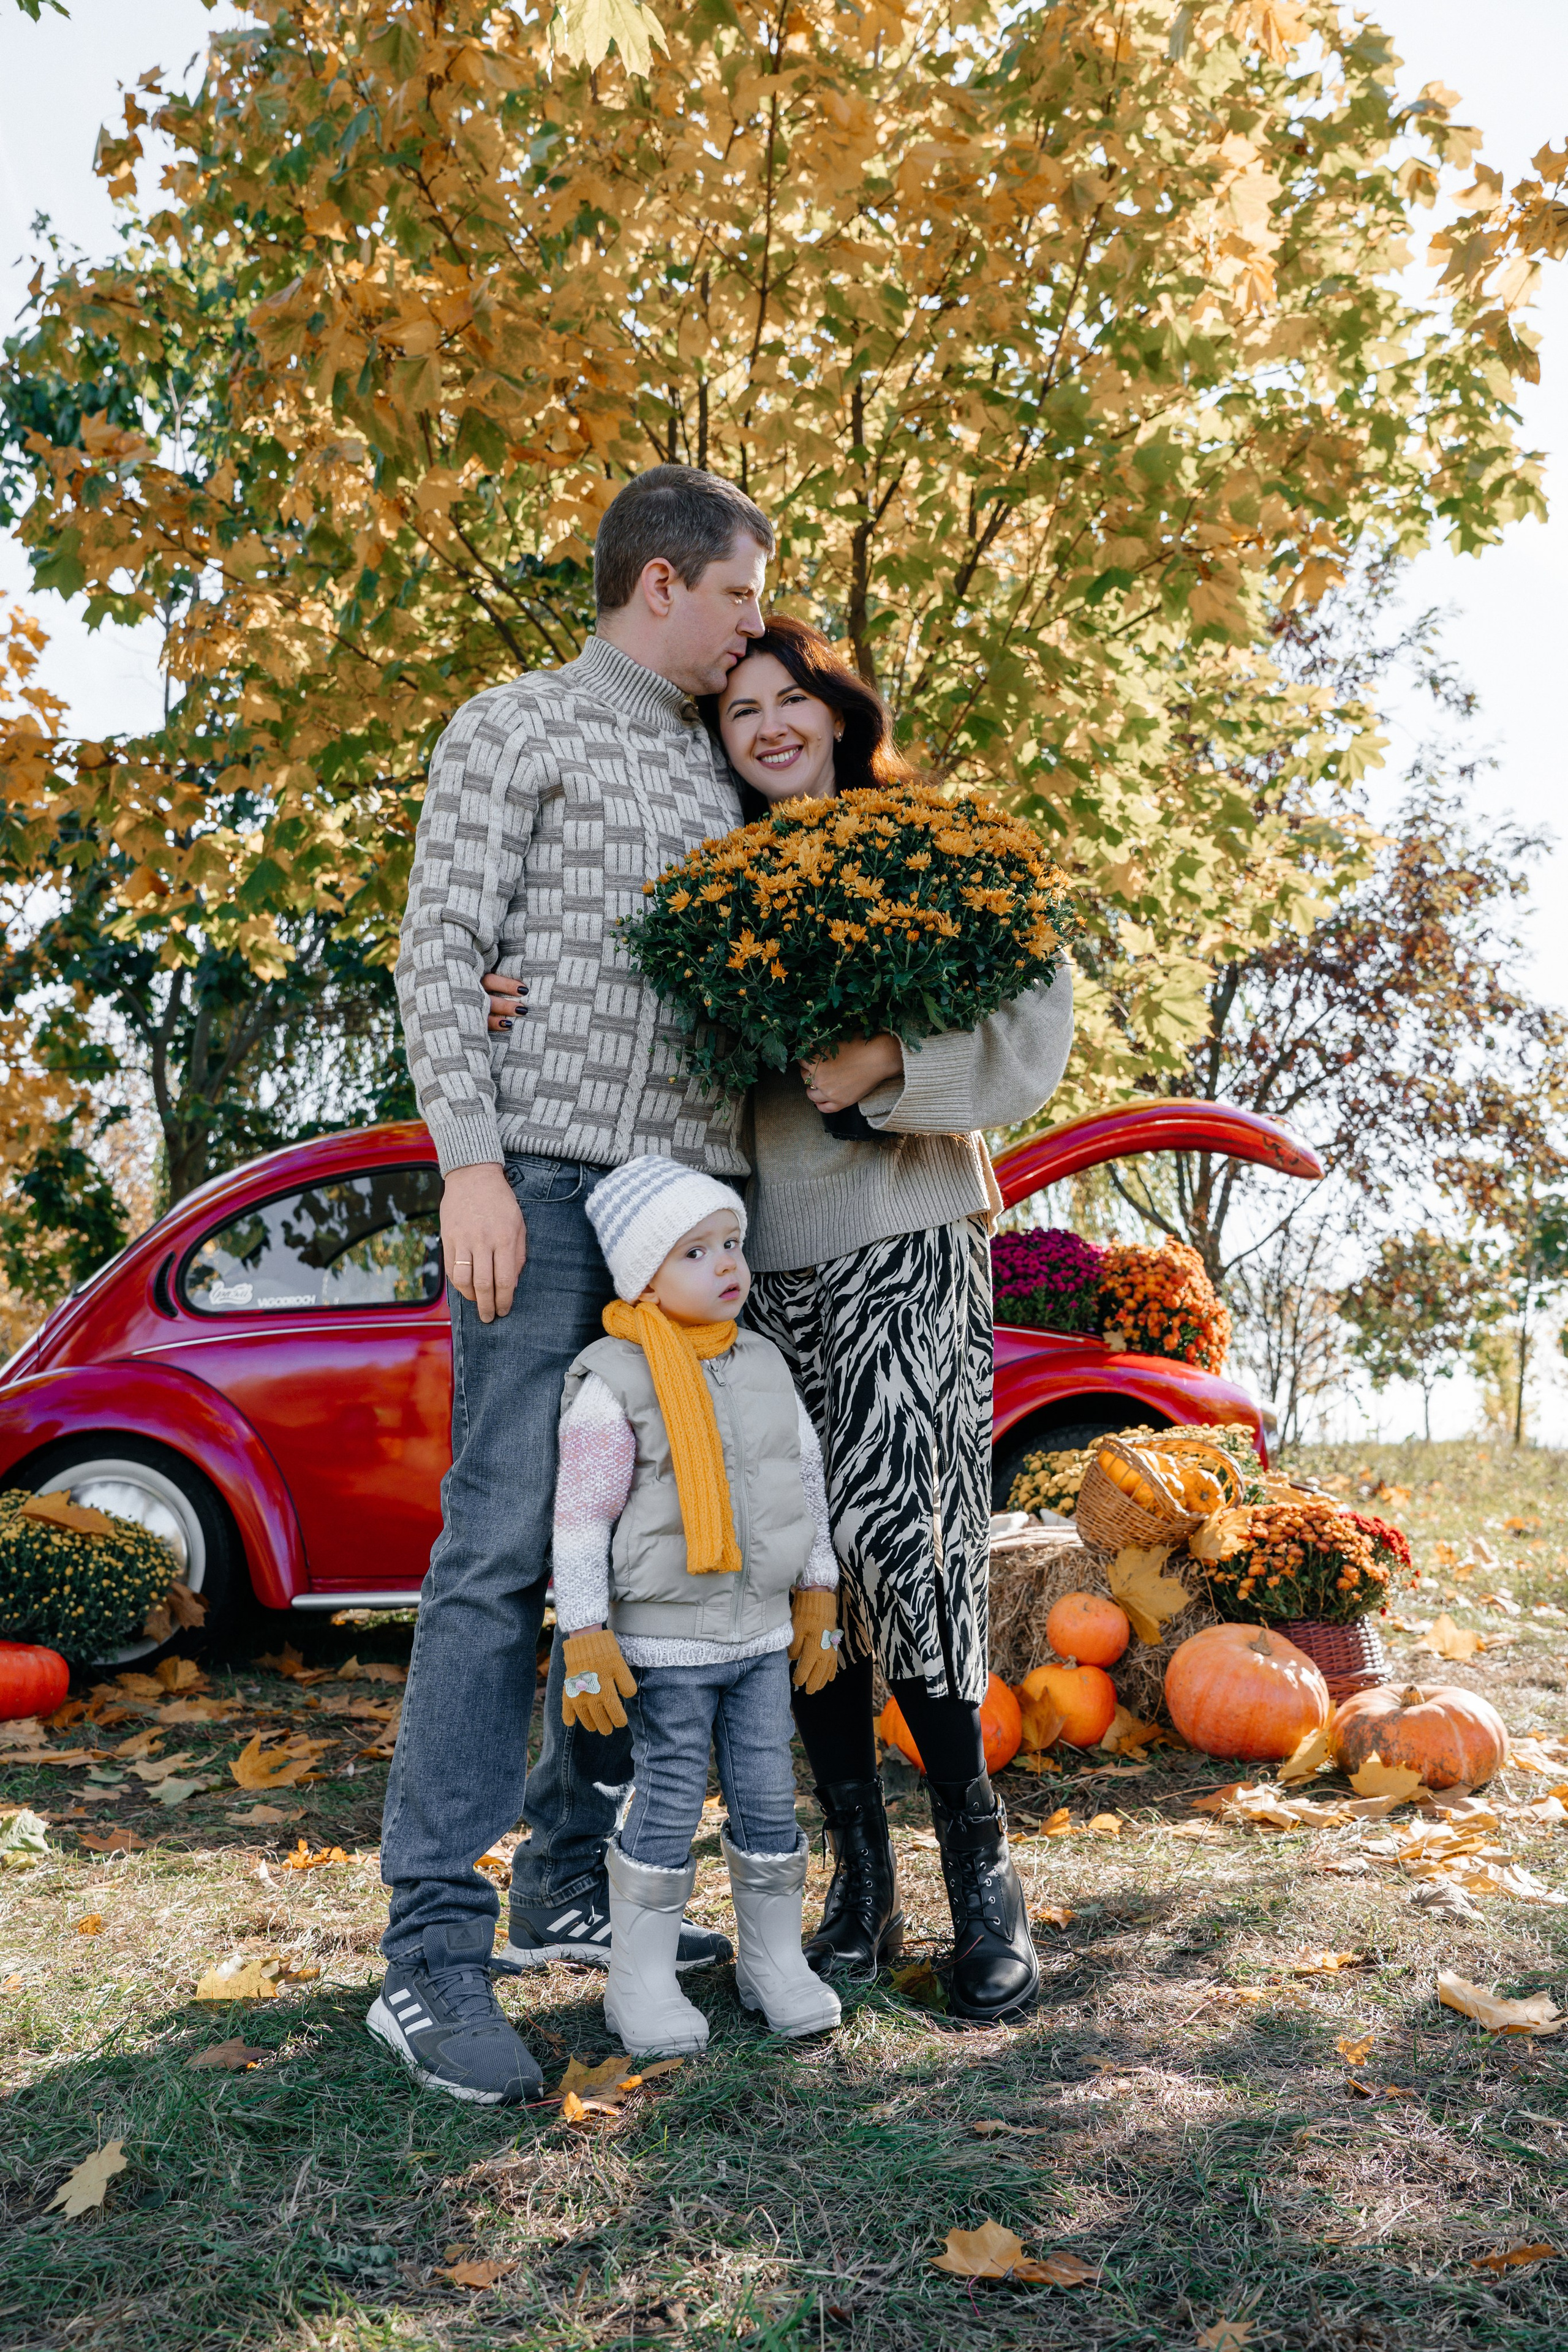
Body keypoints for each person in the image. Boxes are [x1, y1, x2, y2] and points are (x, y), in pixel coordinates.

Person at [488, 616, 1076, 2026]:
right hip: (756, 1277)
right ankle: (857, 1883)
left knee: (907, 1553)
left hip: (908, 1246)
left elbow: (1037, 1025)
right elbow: (622, 1003)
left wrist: (887, 1059)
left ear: (833, 710)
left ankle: (981, 1882)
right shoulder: (708, 889)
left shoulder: (924, 852)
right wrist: (515, 993)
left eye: (786, 698)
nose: (764, 724)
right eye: (738, 707)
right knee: (789, 1564)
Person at [371, 466, 777, 2108]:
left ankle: (562, 1885)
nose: (761, 624)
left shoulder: (708, 762)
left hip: (679, 1223)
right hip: (539, 1188)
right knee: (496, 1559)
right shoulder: (517, 723)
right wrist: (469, 1154)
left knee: (632, 1557)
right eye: (744, 594)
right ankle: (426, 1962)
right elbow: (438, 940)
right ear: (664, 582)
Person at [551, 1154, 843, 2055]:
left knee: (766, 1789)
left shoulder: (763, 1364)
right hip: (667, 1644)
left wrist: (819, 1592)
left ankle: (772, 1960)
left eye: (731, 1244)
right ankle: (637, 1978)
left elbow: (804, 1482)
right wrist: (586, 1631)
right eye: (695, 1252)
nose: (727, 1265)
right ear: (642, 1274)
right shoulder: (613, 1380)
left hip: (759, 1635)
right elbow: (582, 1514)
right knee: (670, 1795)